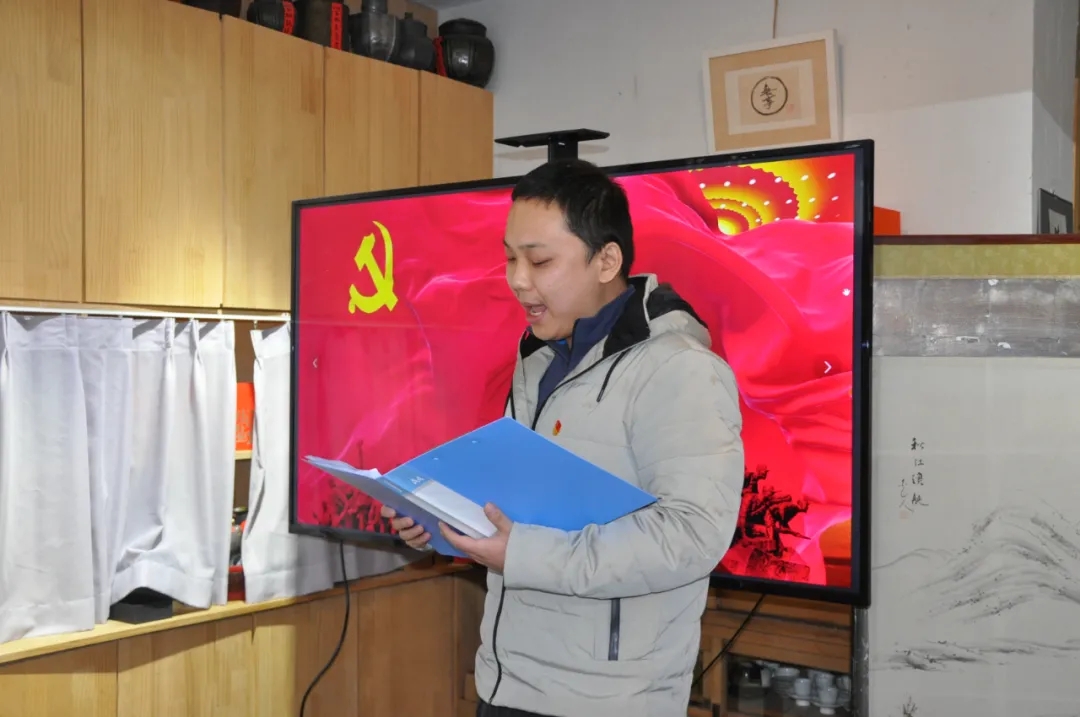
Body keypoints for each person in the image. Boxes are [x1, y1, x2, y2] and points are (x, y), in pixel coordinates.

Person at [380, 159, 745, 717]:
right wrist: (439, 519)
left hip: (605, 700)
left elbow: (692, 535)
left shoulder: (680, 369)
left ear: (607, 260)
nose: (517, 279)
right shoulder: (540, 360)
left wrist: (523, 553)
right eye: (510, 258)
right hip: (507, 682)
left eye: (540, 260)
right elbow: (521, 508)